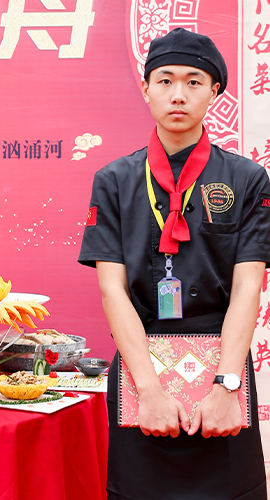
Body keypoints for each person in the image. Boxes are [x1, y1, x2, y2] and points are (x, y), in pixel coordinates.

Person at [79, 28, 269, 500]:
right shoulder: (114, 180)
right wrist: (149, 391)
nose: (178, 94)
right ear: (146, 89)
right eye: (165, 81)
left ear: (215, 91)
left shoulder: (247, 179)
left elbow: (248, 287)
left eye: (194, 81)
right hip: (141, 367)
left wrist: (226, 387)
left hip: (222, 367)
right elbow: (112, 291)